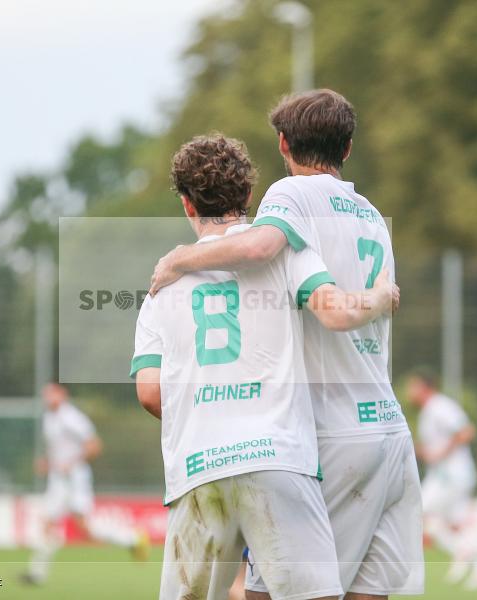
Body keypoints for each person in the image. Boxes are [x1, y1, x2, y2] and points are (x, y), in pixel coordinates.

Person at [150, 90, 424, 599]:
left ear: (282, 143)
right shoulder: (371, 216)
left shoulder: (291, 198)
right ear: (347, 149)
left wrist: (181, 259)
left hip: (335, 432)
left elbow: (257, 247)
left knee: (278, 592)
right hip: (389, 432)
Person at [23, 383, 149, 585]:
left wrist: (71, 464)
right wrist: (48, 463)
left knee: (85, 529)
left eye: (51, 393)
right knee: (47, 521)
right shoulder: (49, 418)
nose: (47, 397)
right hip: (58, 480)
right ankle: (37, 574)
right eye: (45, 394)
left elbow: (94, 445)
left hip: (76, 478)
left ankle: (133, 539)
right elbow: (59, 450)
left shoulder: (72, 418)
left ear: (62, 394)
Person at [405, 369, 477, 590]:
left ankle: (460, 553)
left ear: (425, 387)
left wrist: (441, 454)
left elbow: (466, 432)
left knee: (416, 512)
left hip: (450, 476)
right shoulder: (429, 411)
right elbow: (433, 447)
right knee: (455, 525)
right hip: (448, 475)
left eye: (413, 386)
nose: (409, 391)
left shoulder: (440, 407)